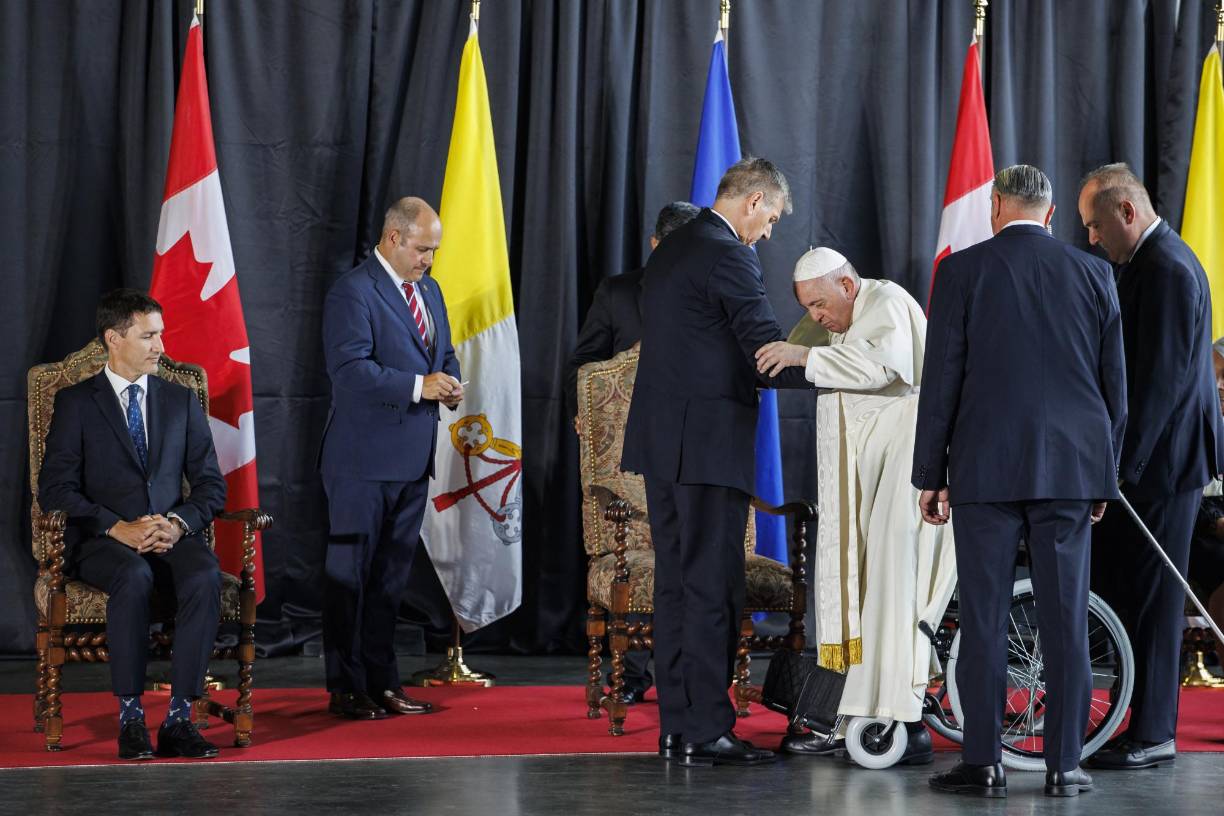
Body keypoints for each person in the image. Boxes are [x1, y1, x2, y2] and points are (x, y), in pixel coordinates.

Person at [913, 165, 1126, 798]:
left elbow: (941, 381)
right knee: (1064, 618)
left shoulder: (960, 271)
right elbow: (1115, 389)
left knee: (982, 618)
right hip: (1070, 471)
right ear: (1054, 213)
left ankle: (984, 763)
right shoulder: (1095, 273)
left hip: (985, 471)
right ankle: (1064, 767)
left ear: (997, 206)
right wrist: (1102, 477)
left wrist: (931, 473)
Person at [620, 157, 813, 767]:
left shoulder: (673, 249)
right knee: (711, 589)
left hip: (663, 447)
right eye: (772, 218)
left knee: (677, 586)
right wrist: (840, 373)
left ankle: (678, 727)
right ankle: (708, 730)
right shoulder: (730, 254)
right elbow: (764, 347)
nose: (769, 233)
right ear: (752, 201)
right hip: (707, 447)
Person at [753, 248, 956, 763]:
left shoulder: (885, 300)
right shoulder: (840, 321)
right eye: (807, 308)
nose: (815, 318)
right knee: (864, 591)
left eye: (820, 304)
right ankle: (853, 712)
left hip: (907, 477)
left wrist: (805, 355)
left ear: (847, 285)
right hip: (869, 486)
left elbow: (883, 366)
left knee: (891, 590)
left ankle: (897, 716)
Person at [1077, 163, 1224, 769]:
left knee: (1157, 601)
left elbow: (1158, 386)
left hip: (1162, 466)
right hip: (1158, 463)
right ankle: (1133, 723)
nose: (1091, 239)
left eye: (1095, 225)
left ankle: (1155, 733)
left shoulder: (1165, 268)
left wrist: (1121, 468)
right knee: (1134, 597)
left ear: (1127, 213)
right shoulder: (1153, 261)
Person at [39, 289, 228, 761]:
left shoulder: (180, 401)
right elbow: (55, 489)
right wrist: (113, 526)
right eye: (148, 336)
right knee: (134, 576)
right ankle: (131, 717)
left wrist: (178, 524)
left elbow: (211, 486)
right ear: (113, 338)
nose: (160, 347)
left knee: (204, 574)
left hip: (167, 533)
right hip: (103, 541)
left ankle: (180, 719)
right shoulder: (76, 403)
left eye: (160, 335)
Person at [319, 197, 462, 720]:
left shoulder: (431, 289)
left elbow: (440, 353)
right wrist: (418, 385)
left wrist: (446, 380)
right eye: (423, 249)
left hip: (410, 459)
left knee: (389, 583)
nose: (430, 260)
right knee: (349, 579)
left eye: (434, 250)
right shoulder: (354, 292)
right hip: (360, 461)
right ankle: (345, 687)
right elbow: (350, 371)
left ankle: (383, 683)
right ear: (394, 238)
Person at [566, 200, 699, 705]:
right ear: (655, 246)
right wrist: (586, 409)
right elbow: (585, 361)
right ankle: (634, 673)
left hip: (693, 445)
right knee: (644, 544)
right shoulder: (619, 292)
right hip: (627, 453)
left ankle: (691, 673)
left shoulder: (712, 292)